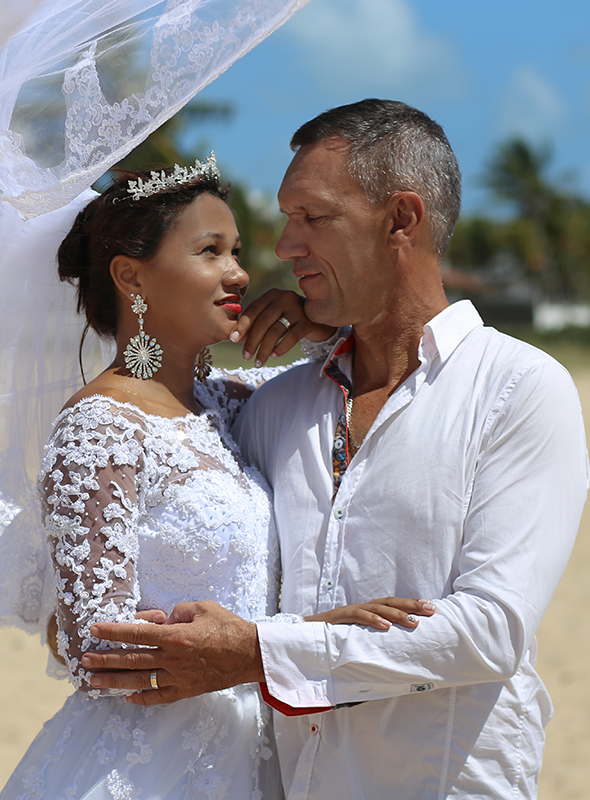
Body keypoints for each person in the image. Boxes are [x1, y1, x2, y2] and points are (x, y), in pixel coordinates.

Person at [81, 99, 589, 799]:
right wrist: (319, 331)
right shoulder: (280, 404)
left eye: (314, 218)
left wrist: (257, 653)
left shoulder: (521, 390)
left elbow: (491, 631)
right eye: (288, 219)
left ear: (401, 220)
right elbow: (165, 434)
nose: (285, 247)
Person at [0, 155, 433, 800]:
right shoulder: (99, 428)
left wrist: (323, 323)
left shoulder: (233, 402)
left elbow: (353, 373)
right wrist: (309, 634)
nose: (240, 274)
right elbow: (95, 652)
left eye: (235, 251)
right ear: (132, 277)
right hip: (149, 770)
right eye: (210, 251)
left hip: (265, 755)